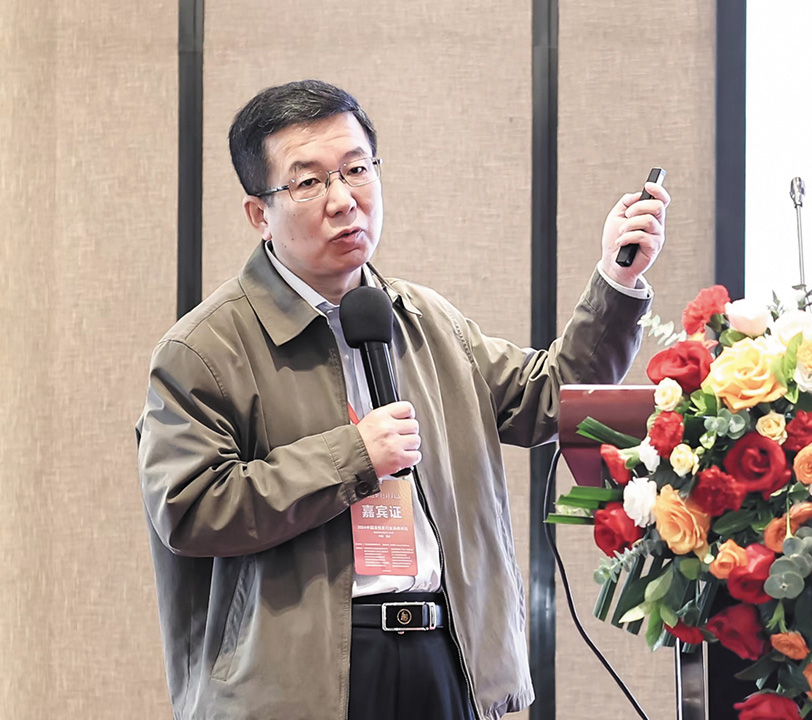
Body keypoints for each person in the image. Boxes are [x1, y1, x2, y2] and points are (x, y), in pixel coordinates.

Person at [136, 79, 669, 720]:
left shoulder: (426, 320)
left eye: (356, 169)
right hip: (298, 685)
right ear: (259, 213)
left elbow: (551, 397)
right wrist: (352, 457)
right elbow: (190, 508)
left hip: (442, 656)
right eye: (308, 182)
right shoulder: (204, 349)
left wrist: (617, 277)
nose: (343, 200)